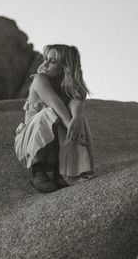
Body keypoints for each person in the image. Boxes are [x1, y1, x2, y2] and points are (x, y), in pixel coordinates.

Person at [14, 44, 96, 193]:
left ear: (65, 67)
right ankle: (38, 171)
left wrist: (76, 118)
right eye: (46, 59)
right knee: (50, 114)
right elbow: (55, 104)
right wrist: (72, 126)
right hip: (29, 141)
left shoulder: (68, 85)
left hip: (54, 139)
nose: (44, 64)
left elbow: (76, 101)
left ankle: (63, 171)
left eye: (52, 61)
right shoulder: (40, 79)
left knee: (77, 119)